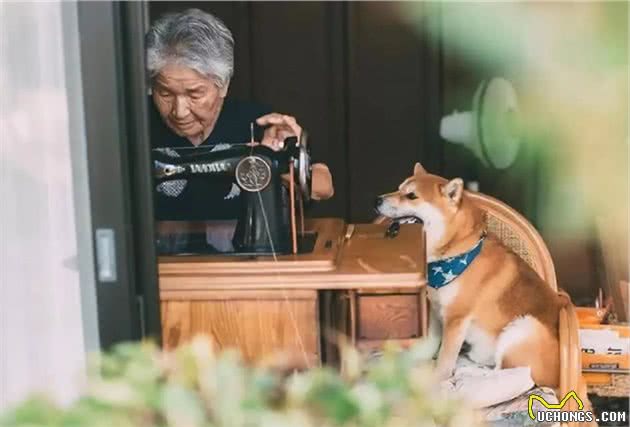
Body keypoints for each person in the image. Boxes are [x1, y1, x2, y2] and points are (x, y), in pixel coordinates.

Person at [146, 8, 334, 221]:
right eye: (165, 93)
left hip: (245, 253)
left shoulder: (258, 123)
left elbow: (324, 187)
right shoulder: (134, 126)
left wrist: (279, 161)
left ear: (223, 85)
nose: (179, 111)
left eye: (194, 94)